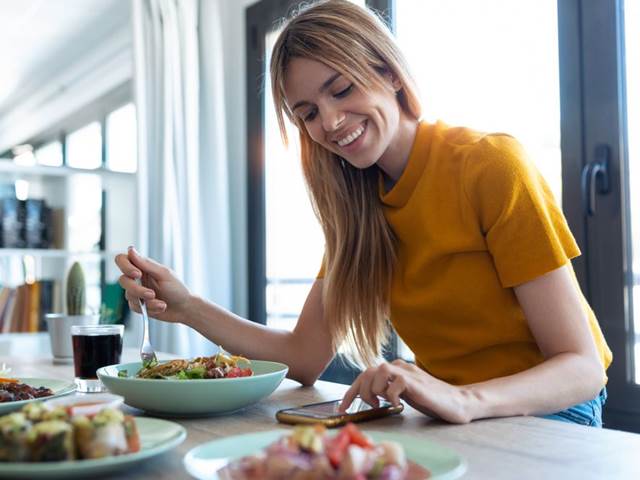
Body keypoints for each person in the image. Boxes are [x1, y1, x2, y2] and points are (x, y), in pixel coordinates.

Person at [115, 0, 612, 426]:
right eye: (307, 112)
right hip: (452, 415)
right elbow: (303, 357)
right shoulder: (355, 209)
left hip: (551, 412)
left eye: (342, 89)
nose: (330, 122)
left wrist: (462, 399)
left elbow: (582, 367)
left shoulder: (490, 165)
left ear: (389, 73)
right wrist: (186, 307)